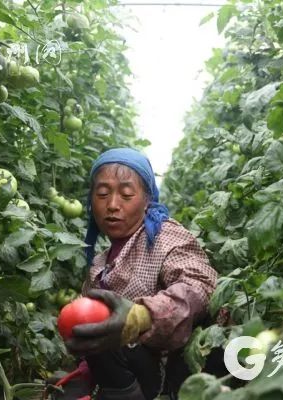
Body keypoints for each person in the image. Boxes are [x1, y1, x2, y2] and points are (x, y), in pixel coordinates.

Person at [63, 148, 218, 400]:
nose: (112, 205)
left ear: (147, 200)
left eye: (126, 194)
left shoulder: (165, 237)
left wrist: (141, 316)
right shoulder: (100, 264)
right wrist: (85, 373)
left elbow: (200, 285)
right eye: (102, 194)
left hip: (173, 378)